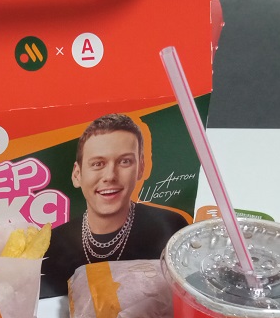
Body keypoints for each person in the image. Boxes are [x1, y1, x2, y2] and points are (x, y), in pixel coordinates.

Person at [40, 114, 188, 298]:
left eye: (124, 161)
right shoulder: (51, 245)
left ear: (141, 168)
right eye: (98, 164)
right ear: (77, 174)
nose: (110, 176)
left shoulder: (172, 229)